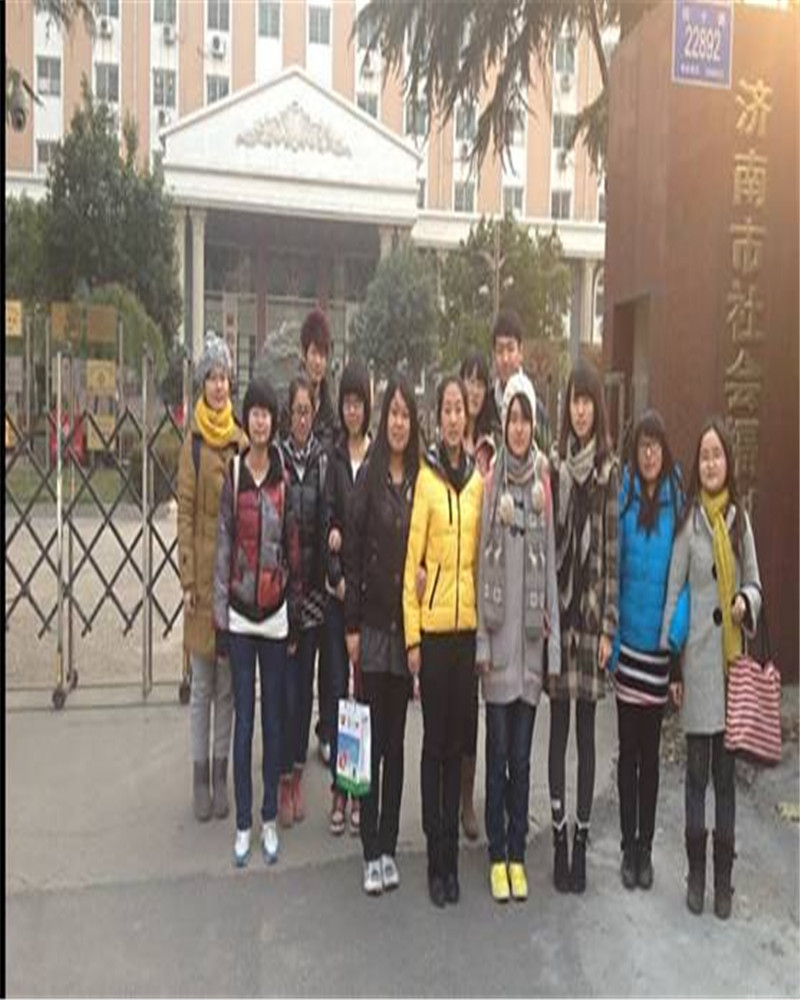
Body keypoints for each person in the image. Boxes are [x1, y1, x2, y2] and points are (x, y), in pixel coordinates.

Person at [660, 417, 761, 920]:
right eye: (704, 455)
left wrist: (745, 600)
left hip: (732, 669)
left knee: (726, 780)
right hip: (697, 667)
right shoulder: (689, 523)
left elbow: (756, 584)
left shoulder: (740, 522)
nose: (711, 463)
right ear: (696, 465)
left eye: (717, 454)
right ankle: (695, 876)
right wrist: (672, 670)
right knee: (696, 776)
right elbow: (673, 592)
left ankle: (724, 881)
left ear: (728, 461)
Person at [476, 372, 560, 903]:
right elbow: (478, 565)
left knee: (523, 761)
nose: (520, 427)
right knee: (498, 756)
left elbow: (547, 569)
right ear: (504, 424)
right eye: (513, 418)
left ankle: (516, 853)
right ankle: (495, 853)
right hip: (497, 645)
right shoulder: (492, 486)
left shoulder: (540, 489)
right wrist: (481, 644)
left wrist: (552, 649)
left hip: (528, 649)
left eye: (527, 419)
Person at [212, 378, 301, 866]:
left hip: (276, 616)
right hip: (242, 618)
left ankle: (269, 817)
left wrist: (294, 609)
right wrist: (220, 619)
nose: (261, 420)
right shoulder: (235, 473)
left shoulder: (283, 478)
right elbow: (224, 547)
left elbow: (292, 547)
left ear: (274, 420)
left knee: (274, 720)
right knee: (244, 719)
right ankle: (244, 823)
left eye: (267, 412)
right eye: (255, 412)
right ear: (246, 419)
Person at [403, 376, 483, 908]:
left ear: (467, 418)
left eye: (459, 409)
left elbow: (481, 560)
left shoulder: (477, 483)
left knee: (457, 747)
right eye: (447, 409)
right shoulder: (427, 480)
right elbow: (412, 564)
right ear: (438, 418)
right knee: (434, 746)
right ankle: (435, 858)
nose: (454, 418)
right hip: (433, 636)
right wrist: (413, 638)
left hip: (466, 635)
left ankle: (452, 857)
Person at [344, 374, 420, 894]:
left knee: (396, 742)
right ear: (383, 418)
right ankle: (369, 848)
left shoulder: (420, 481)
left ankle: (390, 845)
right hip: (371, 629)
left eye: (405, 415)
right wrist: (350, 626)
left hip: (406, 629)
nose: (398, 422)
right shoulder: (368, 479)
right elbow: (351, 556)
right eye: (392, 413)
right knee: (369, 745)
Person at [547, 357, 619, 894]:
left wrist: (608, 628)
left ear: (598, 408)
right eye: (574, 400)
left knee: (587, 735)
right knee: (557, 731)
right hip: (559, 618)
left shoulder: (609, 472)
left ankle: (582, 841)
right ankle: (557, 838)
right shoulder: (554, 468)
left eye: (587, 400)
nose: (580, 410)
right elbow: (548, 547)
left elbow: (611, 555)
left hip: (591, 622)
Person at [611, 410, 689, 890]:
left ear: (665, 449)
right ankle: (627, 847)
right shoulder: (623, 496)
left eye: (656, 445)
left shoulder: (678, 501)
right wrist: (614, 641)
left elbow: (684, 581)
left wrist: (673, 642)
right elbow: (614, 570)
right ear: (634, 450)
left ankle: (646, 847)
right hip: (628, 651)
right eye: (643, 445)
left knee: (651, 757)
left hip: (658, 656)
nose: (649, 454)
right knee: (628, 755)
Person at [177, 332, 244, 822]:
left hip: (233, 582)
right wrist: (186, 578)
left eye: (224, 377)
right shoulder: (194, 443)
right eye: (212, 377)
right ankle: (200, 778)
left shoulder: (240, 441)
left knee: (227, 687)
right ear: (202, 384)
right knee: (202, 684)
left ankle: (222, 777)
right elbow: (184, 510)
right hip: (202, 582)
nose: (219, 386)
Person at [279, 375, 330, 827]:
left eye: (307, 411)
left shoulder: (322, 460)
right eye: (296, 411)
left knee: (306, 689)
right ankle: (283, 777)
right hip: (282, 600)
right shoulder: (277, 459)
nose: (301, 418)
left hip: (313, 598)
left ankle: (296, 775)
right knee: (285, 693)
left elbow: (329, 514)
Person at [325, 360, 372, 837]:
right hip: (339, 599)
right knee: (340, 694)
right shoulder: (333, 458)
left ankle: (359, 790)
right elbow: (327, 521)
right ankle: (339, 790)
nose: (352, 410)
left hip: (369, 602)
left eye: (359, 403)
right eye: (347, 403)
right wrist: (336, 578)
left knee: (365, 698)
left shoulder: (375, 459)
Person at [489, 309, 550, 452]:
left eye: (510, 349)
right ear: (493, 355)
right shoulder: (487, 409)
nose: (505, 359)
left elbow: (546, 454)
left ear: (521, 352)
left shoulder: (537, 407)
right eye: (500, 351)